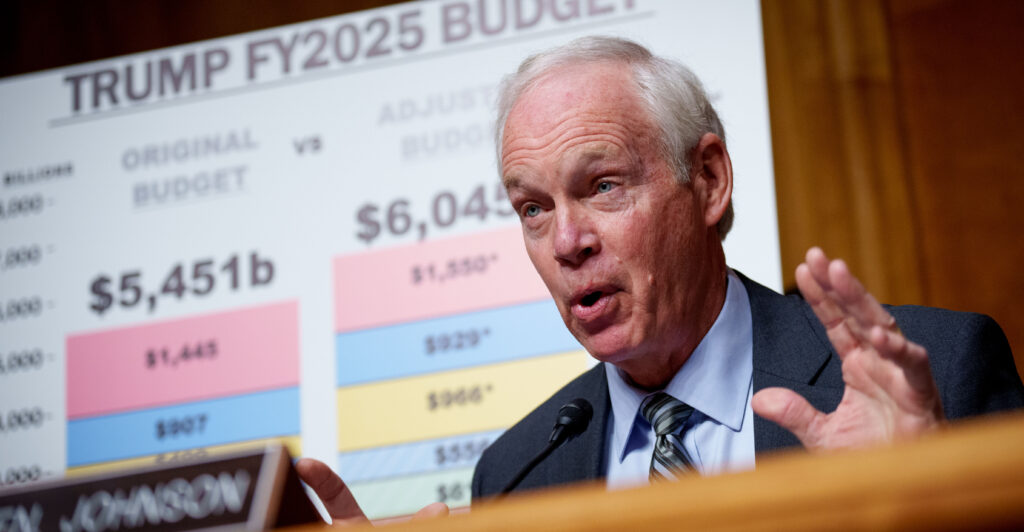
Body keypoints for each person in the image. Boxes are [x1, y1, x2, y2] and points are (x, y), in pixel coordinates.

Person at [296, 36, 1024, 521]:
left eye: (604, 186)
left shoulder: (942, 372)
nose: (568, 242)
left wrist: (925, 509)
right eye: (533, 208)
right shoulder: (516, 477)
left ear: (708, 180)